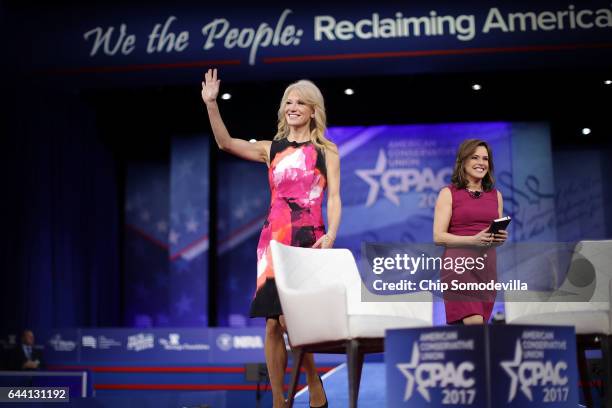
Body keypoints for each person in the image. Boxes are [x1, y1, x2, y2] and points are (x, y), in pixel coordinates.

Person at [201, 69, 340, 408]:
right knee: (272, 323)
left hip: (309, 241)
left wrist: (332, 234)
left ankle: (311, 379)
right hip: (273, 242)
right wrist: (211, 105)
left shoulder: (327, 151)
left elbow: (334, 197)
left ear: (312, 110)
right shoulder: (271, 148)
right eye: (288, 102)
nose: (293, 107)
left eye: (300, 103)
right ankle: (280, 400)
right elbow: (225, 143)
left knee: (291, 318)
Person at [433, 139, 508, 325]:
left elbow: (491, 238)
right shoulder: (448, 193)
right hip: (459, 266)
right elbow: (438, 237)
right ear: (463, 161)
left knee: (472, 331)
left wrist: (499, 238)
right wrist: (473, 240)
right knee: (474, 324)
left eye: (485, 158)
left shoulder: (496, 195)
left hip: (486, 268)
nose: (481, 163)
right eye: (475, 157)